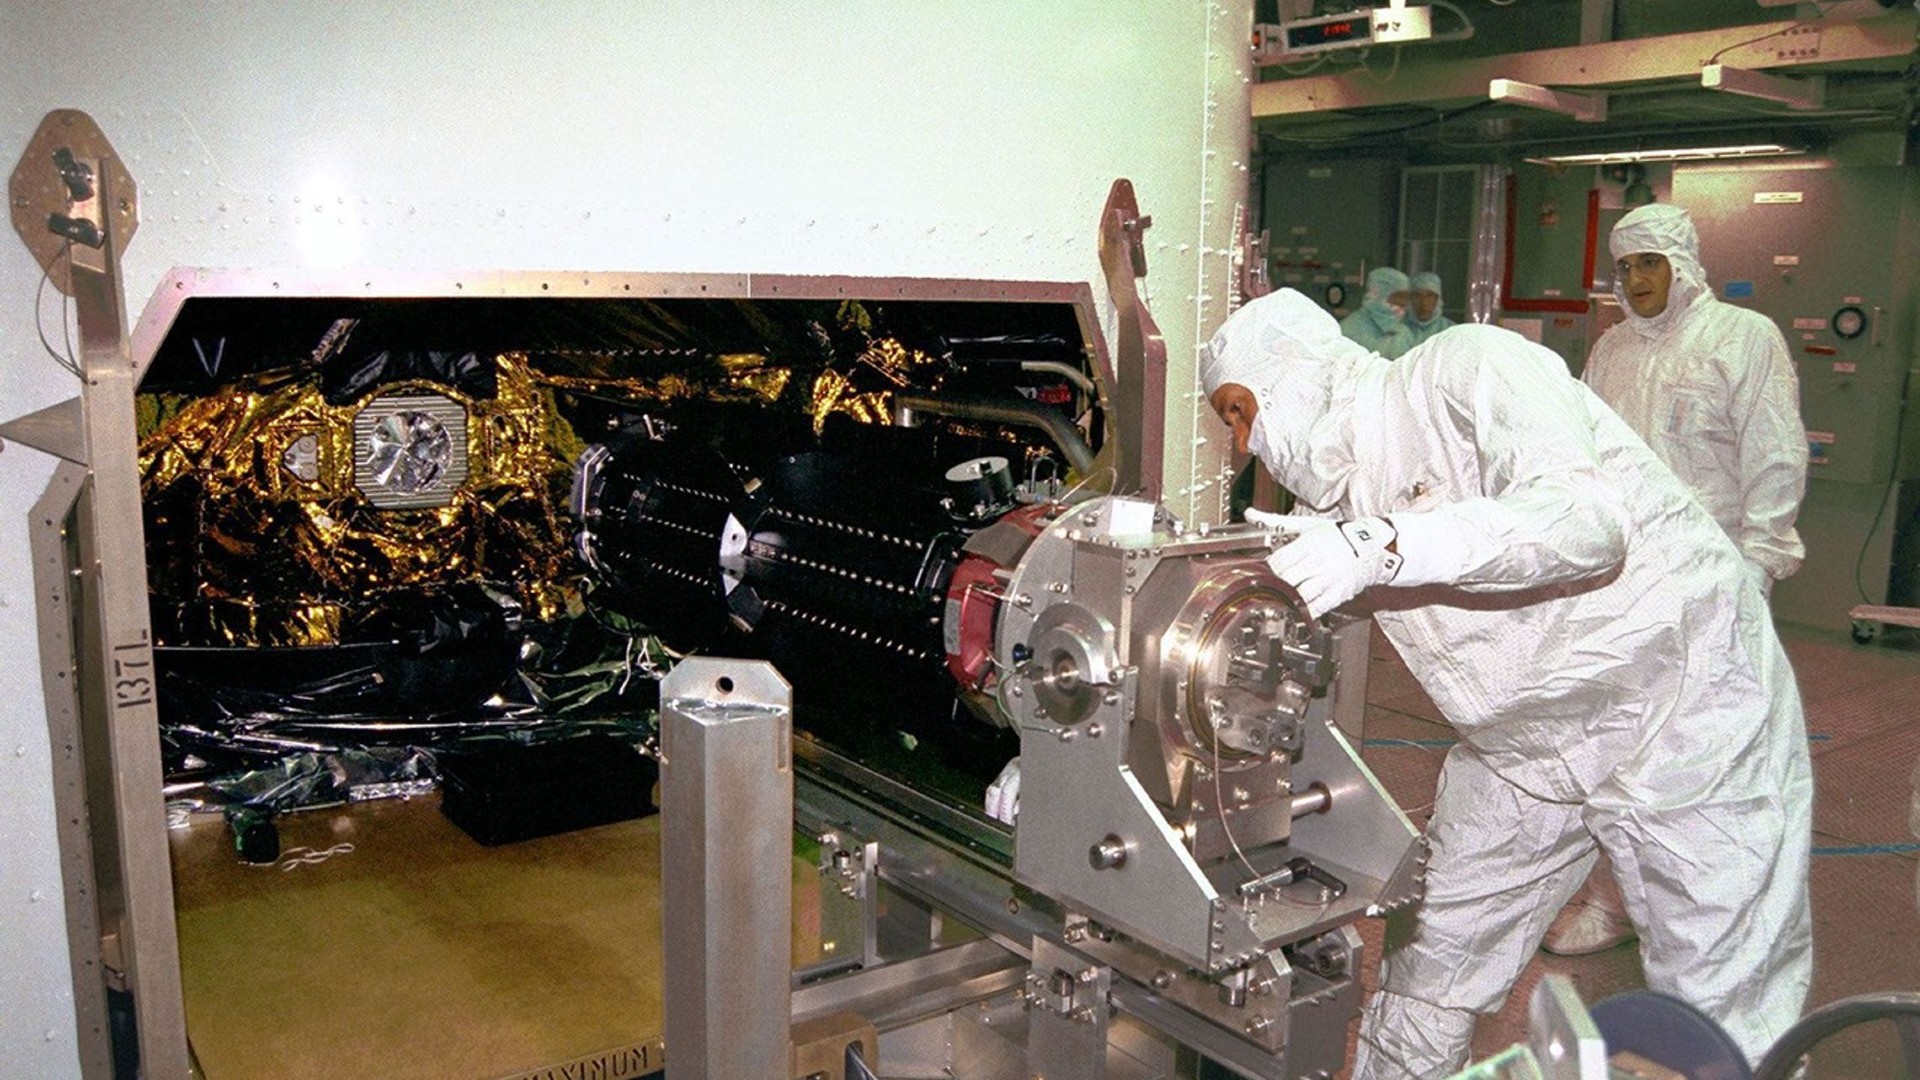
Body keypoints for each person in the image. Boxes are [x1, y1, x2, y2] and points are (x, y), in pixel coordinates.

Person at [1202, 288, 1811, 1078]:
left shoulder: (1465, 368)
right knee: (1432, 970)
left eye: (1242, 412)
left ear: (1290, 375)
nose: (1244, 443)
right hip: (1525, 746)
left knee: (1719, 1011)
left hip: (1681, 707)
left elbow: (1587, 525)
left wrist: (1384, 545)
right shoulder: (1349, 499)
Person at [1540, 202, 1811, 956]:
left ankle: (1703, 915)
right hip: (1623, 576)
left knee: (1699, 757)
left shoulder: (1743, 338)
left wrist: (1760, 559)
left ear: (1683, 266)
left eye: (1649, 263)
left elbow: (1775, 451)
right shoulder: (1614, 347)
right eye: (1624, 266)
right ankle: (1611, 900)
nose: (1635, 279)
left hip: (1714, 574)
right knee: (1612, 745)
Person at [1339, 266, 1417, 360]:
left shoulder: (1404, 334)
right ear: (1380, 295)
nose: (1404, 303)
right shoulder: (1348, 330)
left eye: (1406, 298)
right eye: (1399, 296)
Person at [1404, 270, 1455, 346]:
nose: (1423, 302)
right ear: (1410, 299)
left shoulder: (1450, 331)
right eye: (1418, 296)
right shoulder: (1398, 329)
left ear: (1438, 299)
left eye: (1430, 296)